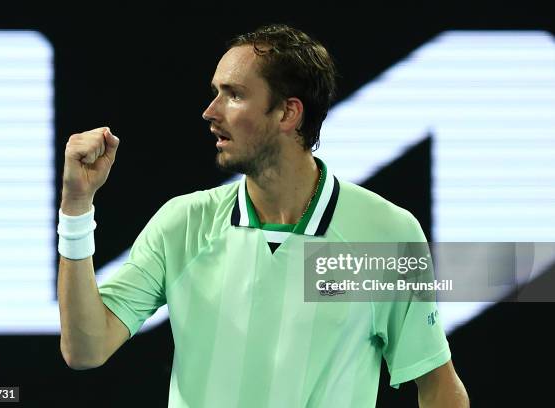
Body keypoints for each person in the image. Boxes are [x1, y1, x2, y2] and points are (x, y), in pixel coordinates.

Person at [57, 24, 469, 407]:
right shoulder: (182, 224)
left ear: (289, 113)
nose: (210, 111)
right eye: (215, 92)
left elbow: (438, 386)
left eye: (233, 94)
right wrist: (76, 209)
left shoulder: (385, 233)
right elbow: (86, 349)